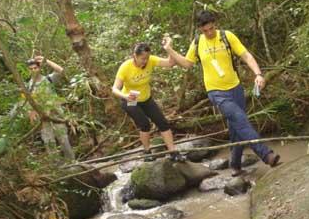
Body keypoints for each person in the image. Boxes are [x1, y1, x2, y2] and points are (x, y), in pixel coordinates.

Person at [163, 10, 280, 176]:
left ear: (215, 24)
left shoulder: (227, 36)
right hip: (216, 91)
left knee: (236, 127)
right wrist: (170, 50)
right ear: (200, 30)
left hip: (235, 88)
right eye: (205, 31)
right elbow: (187, 64)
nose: (209, 33)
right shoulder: (197, 43)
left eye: (211, 28)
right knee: (240, 119)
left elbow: (245, 55)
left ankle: (235, 164)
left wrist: (258, 74)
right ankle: (266, 154)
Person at [112, 43, 184, 162]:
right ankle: (147, 152)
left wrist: (169, 48)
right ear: (134, 56)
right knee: (145, 124)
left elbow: (170, 63)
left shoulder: (151, 60)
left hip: (146, 98)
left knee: (163, 123)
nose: (145, 61)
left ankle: (173, 152)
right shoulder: (125, 67)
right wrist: (125, 96)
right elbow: (114, 89)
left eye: (147, 58)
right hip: (131, 100)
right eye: (142, 59)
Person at [26, 55, 75, 160]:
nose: (34, 70)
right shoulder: (28, 86)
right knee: (49, 142)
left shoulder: (48, 79)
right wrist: (31, 113)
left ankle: (72, 162)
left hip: (56, 114)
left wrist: (46, 60)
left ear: (39, 68)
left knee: (63, 139)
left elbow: (61, 71)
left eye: (35, 68)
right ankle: (57, 167)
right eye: (31, 69)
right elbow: (28, 102)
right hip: (43, 118)